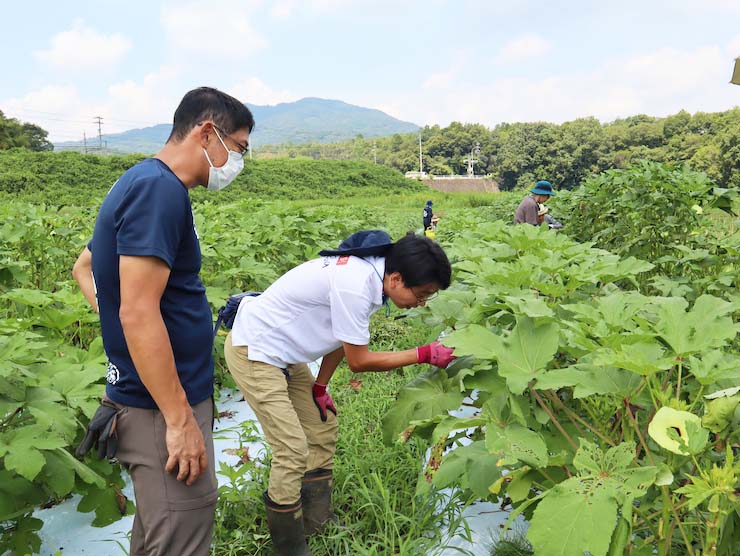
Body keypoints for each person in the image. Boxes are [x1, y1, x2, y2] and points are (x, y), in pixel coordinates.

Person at [72, 86, 254, 556]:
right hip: (159, 408)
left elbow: (86, 266)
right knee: (181, 537)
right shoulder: (158, 190)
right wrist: (179, 420)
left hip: (154, 399)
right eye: (238, 149)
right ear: (207, 132)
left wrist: (115, 313)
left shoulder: (142, 181)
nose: (238, 163)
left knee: (158, 535)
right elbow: (137, 310)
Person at [223, 231, 454, 556]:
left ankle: (317, 522)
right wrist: (424, 353)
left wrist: (320, 386)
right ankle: (291, 547)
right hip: (255, 350)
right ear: (397, 278)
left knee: (322, 426)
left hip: (285, 352)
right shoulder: (355, 283)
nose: (422, 302)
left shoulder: (374, 274)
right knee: (291, 448)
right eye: (422, 294)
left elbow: (341, 335)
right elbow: (359, 361)